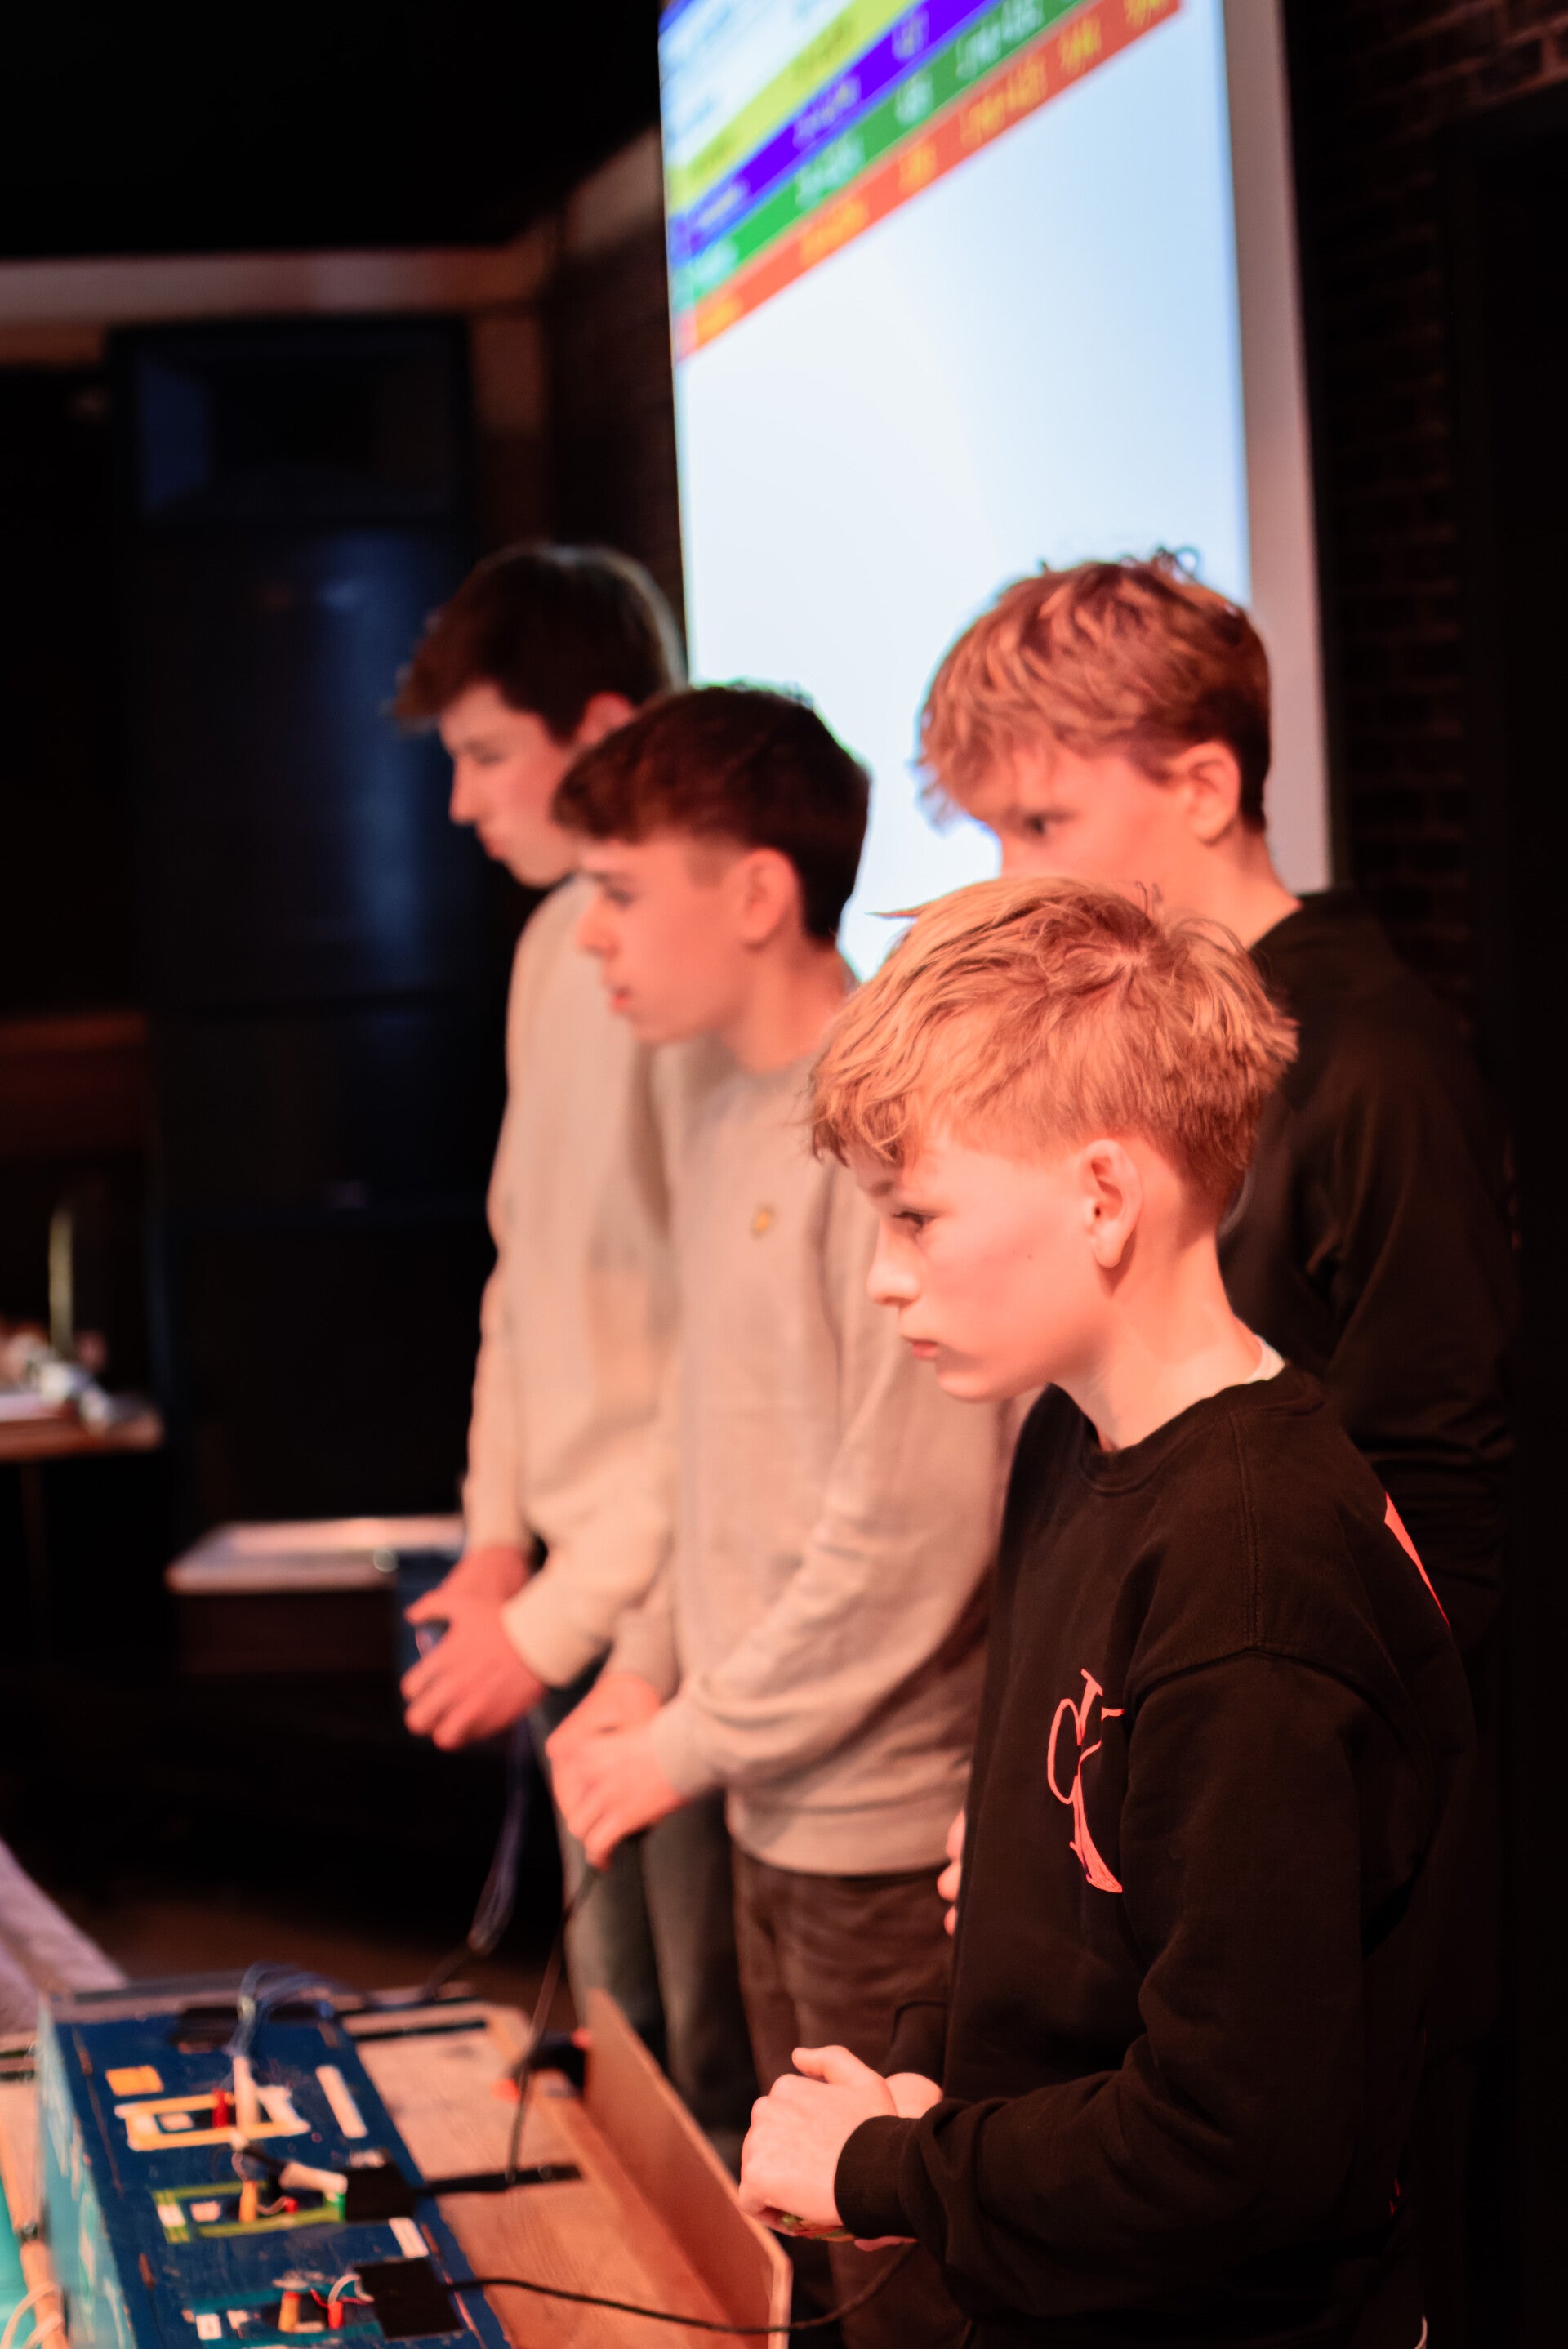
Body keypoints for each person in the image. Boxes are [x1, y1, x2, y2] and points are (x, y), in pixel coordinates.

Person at [740, 875, 1474, 2349]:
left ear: (1102, 1197)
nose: (885, 1278)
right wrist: (927, 2074)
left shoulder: (1250, 1578)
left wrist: (890, 2170)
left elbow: (1232, 2143)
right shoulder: (1068, 1441)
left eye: (916, 1217)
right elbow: (1038, 1882)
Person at [915, 558, 1514, 2344]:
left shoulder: (1375, 1061)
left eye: (1043, 822)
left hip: (1279, 1827)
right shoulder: (1119, 1059)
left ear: (1200, 785)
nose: (1012, 874)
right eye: (990, 831)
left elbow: (1445, 1501)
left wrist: (1176, 1826)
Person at [541, 686, 1013, 2348]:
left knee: (901, 2282)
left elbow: (911, 1529)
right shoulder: (726, 1106)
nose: (591, 935)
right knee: (797, 2254)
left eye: (620, 890)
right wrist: (644, 1667)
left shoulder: (885, 1118)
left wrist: (686, 1738)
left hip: (883, 1835)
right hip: (770, 1801)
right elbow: (711, 1453)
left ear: (755, 893)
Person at [390, 544, 755, 2163]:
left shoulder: (680, 968)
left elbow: (716, 1373)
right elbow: (524, 1276)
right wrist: (494, 1540)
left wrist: (555, 1626)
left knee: (710, 2072)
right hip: (578, 1594)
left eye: (487, 755)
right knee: (622, 2043)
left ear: (603, 727)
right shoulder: (559, 948)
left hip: (682, 1616)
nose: (463, 803)